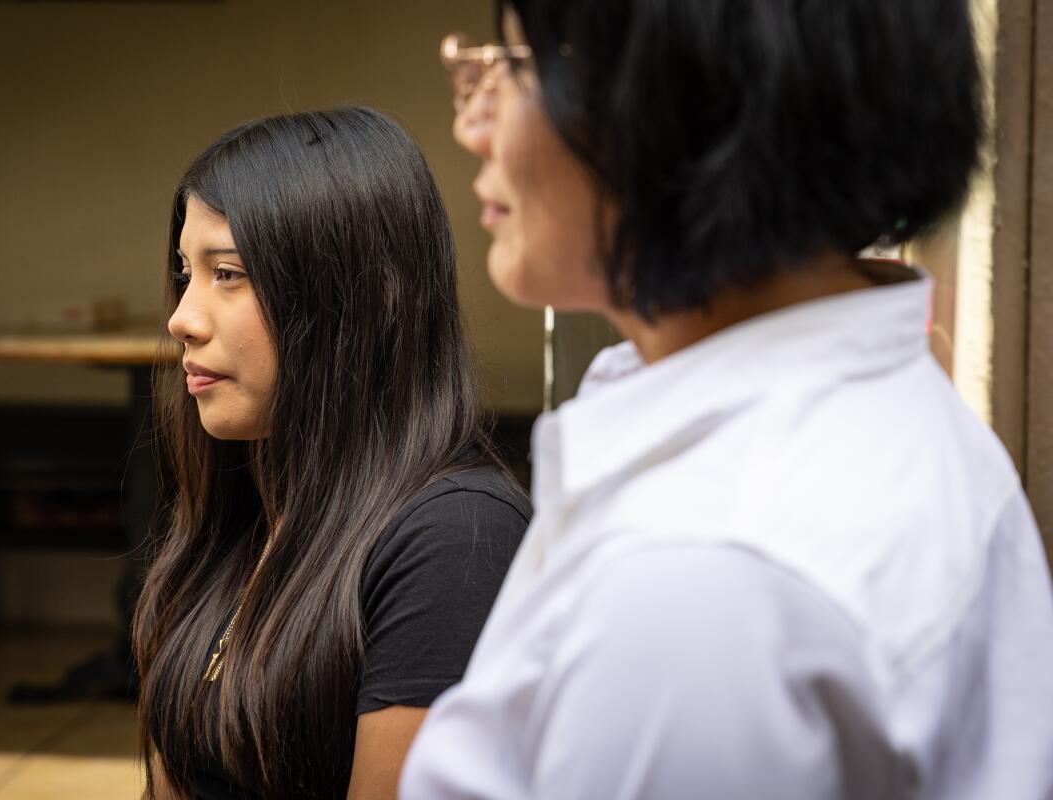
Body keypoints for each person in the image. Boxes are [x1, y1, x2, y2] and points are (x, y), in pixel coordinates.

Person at [403, 2, 1053, 798]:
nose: (474, 121)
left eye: (516, 64)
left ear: (691, 99)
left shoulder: (706, 586)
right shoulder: (872, 419)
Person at [134, 107, 530, 800]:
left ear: (352, 299)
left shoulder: (456, 537)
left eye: (228, 273)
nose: (182, 319)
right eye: (185, 272)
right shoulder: (248, 504)